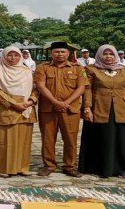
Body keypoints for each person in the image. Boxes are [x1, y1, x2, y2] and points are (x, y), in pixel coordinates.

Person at [79, 44, 125, 178]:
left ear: (116, 55)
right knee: (103, 137)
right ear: (100, 55)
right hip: (100, 107)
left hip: (121, 108)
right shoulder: (91, 69)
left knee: (122, 139)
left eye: (111, 54)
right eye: (105, 54)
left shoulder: (124, 70)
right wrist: (87, 107)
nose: (108, 57)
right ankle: (100, 167)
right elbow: (87, 89)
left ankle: (122, 168)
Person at [34, 41, 89, 177]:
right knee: (48, 139)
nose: (60, 54)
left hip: (70, 109)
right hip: (48, 109)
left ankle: (69, 166)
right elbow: (41, 86)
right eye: (56, 52)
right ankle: (49, 165)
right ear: (51, 53)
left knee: (70, 139)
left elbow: (81, 87)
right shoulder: (43, 67)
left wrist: (65, 103)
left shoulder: (78, 68)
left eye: (63, 52)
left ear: (68, 53)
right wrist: (55, 102)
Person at [0, 46, 37, 177]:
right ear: (4, 56)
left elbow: (35, 88)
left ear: (20, 56)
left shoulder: (27, 71)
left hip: (26, 108)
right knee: (4, 140)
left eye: (16, 55)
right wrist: (13, 104)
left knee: (24, 140)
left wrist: (31, 100)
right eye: (9, 55)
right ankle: (4, 168)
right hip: (6, 109)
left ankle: (22, 167)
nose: (13, 58)